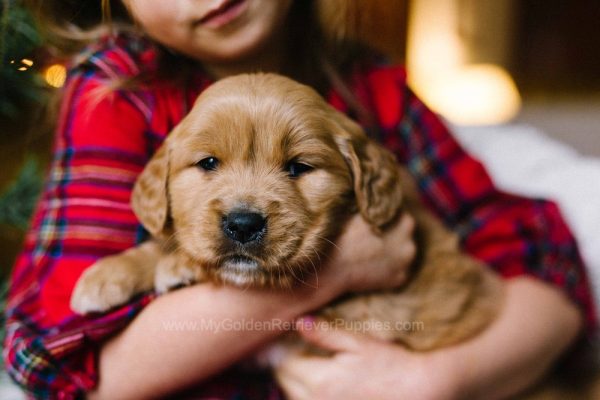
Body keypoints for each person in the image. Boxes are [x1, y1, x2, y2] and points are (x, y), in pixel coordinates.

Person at [4, 0, 595, 399]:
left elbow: (540, 253)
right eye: (208, 163)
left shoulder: (372, 86)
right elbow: (70, 367)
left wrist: (438, 378)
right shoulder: (115, 91)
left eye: (298, 166)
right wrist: (332, 272)